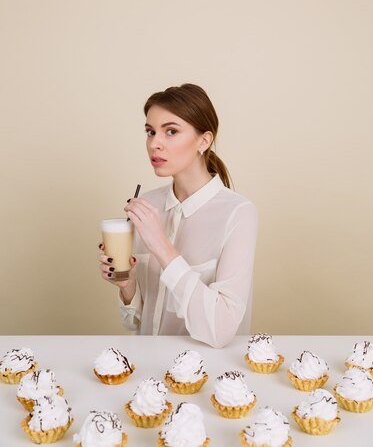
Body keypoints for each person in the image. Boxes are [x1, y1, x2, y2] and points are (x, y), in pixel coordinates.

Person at [98, 83, 258, 348]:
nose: (154, 144)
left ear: (204, 141)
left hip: (207, 376)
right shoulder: (147, 205)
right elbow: (135, 324)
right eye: (150, 132)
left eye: (170, 131)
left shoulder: (239, 214)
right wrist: (127, 285)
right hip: (149, 373)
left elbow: (221, 330)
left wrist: (161, 245)